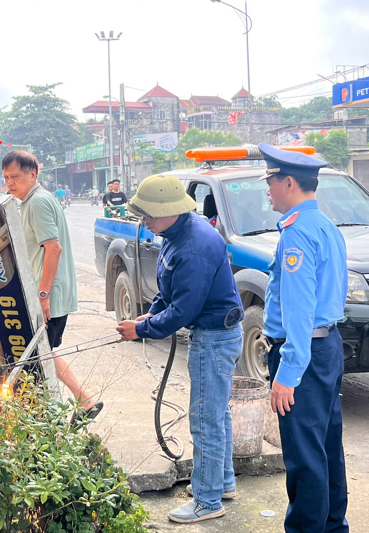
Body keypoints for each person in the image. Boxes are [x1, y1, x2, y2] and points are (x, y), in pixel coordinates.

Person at [115, 174, 243, 524]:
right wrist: (152, 312)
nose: (144, 221)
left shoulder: (193, 246)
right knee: (217, 415)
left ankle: (207, 500)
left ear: (168, 210)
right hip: (215, 333)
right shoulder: (178, 233)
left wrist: (140, 328)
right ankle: (222, 482)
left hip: (215, 338)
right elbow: (170, 291)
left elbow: (184, 310)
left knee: (205, 421)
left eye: (148, 214)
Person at [259, 143, 349, 533]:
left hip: (304, 351)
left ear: (289, 183)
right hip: (327, 346)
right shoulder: (326, 226)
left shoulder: (296, 234)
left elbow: (298, 307)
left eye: (270, 181)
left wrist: (288, 373)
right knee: (327, 446)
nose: (267, 189)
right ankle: (333, 526)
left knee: (303, 456)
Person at [2, 150, 102, 420]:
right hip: (47, 293)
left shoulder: (37, 203)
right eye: (6, 178)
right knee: (41, 352)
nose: (10, 183)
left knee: (39, 354)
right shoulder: (32, 201)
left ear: (32, 174)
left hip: (48, 295)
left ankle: (76, 404)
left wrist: (43, 295)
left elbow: (53, 249)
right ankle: (80, 402)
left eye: (16, 176)